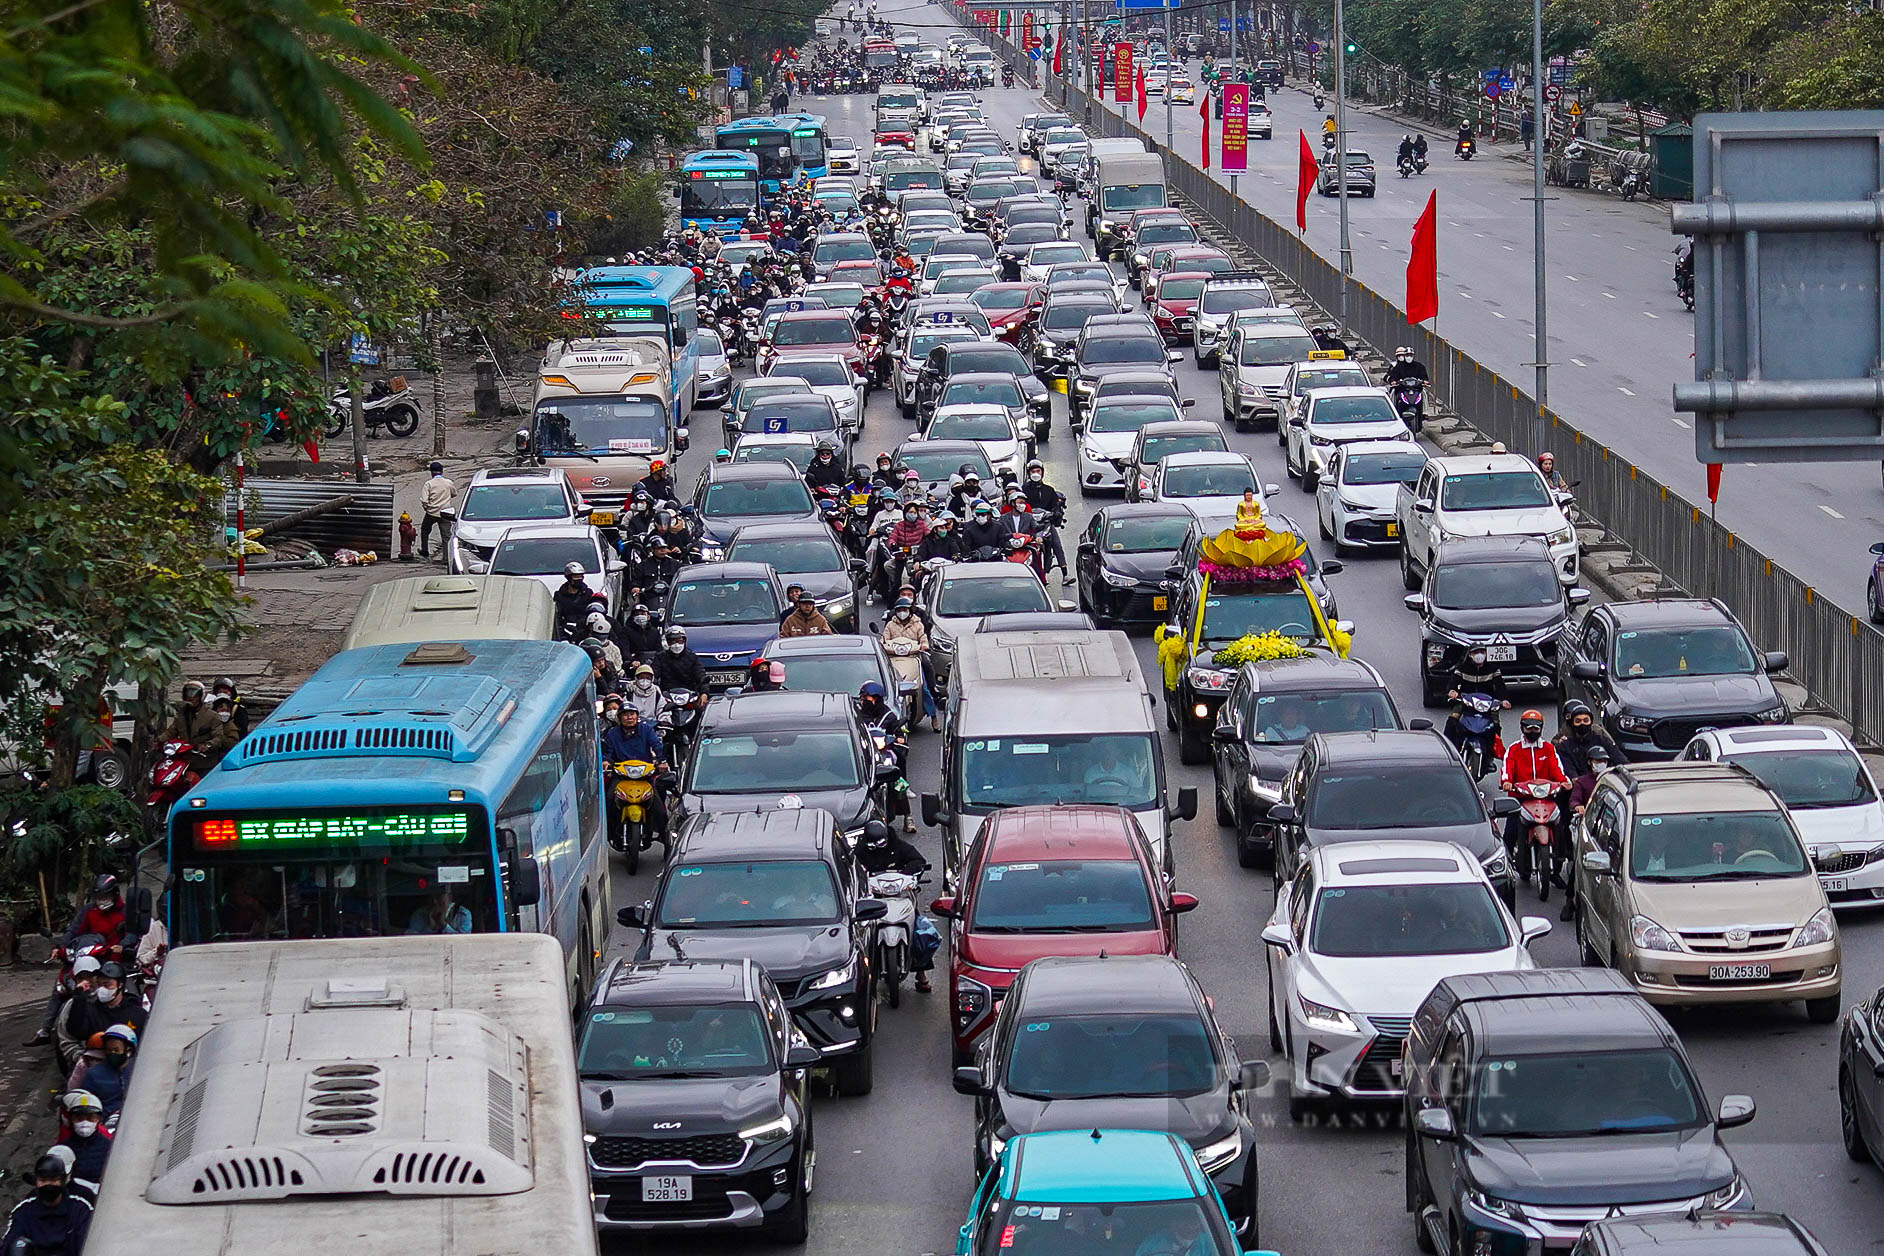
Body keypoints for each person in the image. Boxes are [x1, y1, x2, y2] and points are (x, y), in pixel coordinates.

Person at [855, 819, 933, 991]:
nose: (877, 846)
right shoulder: (861, 851)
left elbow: (918, 860)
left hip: (900, 896)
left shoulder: (899, 846)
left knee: (920, 931)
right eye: (873, 844)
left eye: (881, 842)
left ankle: (922, 973)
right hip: (875, 899)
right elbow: (854, 868)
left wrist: (907, 875)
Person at [1501, 709, 1570, 894]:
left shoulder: (1548, 748)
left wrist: (1564, 782)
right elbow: (1507, 770)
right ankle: (1503, 869)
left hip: (1546, 799)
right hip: (1521, 800)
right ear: (1522, 728)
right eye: (1528, 727)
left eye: (1536, 727)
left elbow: (1558, 771)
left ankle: (1556, 868)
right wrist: (1507, 782)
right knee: (1509, 834)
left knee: (1561, 829)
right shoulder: (1514, 749)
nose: (1532, 730)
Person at [1, 1153, 91, 1256]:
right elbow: (8, 1246)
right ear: (36, 1182)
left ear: (62, 1180)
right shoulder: (24, 1212)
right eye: (43, 1180)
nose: (48, 1184)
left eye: (53, 1179)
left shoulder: (79, 1209)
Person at [1561, 742, 1612, 921]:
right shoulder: (1583, 782)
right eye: (1597, 760)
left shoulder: (1611, 780)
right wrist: (1579, 807)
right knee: (1579, 865)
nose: (1600, 763)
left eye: (1603, 760)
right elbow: (1573, 801)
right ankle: (1569, 902)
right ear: (1590, 762)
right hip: (1588, 830)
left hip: (1610, 830)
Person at [856, 682, 913, 831]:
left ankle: (908, 817)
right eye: (862, 698)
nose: (864, 701)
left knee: (898, 776)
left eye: (866, 698)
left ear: (876, 698)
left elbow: (900, 733)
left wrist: (898, 738)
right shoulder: (859, 715)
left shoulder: (890, 716)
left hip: (886, 752)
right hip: (867, 754)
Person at [70, 1024, 137, 1116]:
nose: (112, 1053)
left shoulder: (139, 1069)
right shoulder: (93, 1074)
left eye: (116, 1050)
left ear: (128, 1050)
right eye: (109, 1050)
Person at [1019, 460, 1067, 573]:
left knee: (1057, 544)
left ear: (1042, 473)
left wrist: (1056, 513)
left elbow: (1055, 506)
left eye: (1038, 471)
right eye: (1033, 471)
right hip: (1029, 523)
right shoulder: (1024, 490)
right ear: (1028, 473)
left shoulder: (1049, 490)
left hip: (1045, 522)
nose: (1035, 473)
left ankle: (1065, 572)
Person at [55, 1092, 111, 1188]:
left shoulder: (110, 1148)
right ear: (70, 1119)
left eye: (91, 1118)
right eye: (79, 1117)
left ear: (99, 1119)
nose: (85, 1122)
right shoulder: (61, 1149)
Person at [1554, 699, 1618, 779]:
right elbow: (1569, 770)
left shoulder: (1602, 739)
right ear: (1572, 723)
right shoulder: (1565, 746)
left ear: (1591, 722)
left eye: (1586, 720)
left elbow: (1619, 759)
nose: (1582, 723)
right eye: (1578, 721)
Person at [418, 461, 455, 560]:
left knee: (425, 530)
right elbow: (454, 493)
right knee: (446, 536)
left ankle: (425, 550)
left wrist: (426, 507)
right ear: (442, 471)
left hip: (432, 513)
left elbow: (424, 500)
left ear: (431, 472)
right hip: (445, 513)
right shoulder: (448, 483)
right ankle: (446, 558)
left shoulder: (429, 484)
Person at [654, 625, 707, 693]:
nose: (677, 645)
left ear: (684, 641)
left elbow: (701, 676)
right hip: (667, 695)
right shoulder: (660, 657)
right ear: (668, 642)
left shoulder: (692, 658)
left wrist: (704, 693)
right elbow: (654, 675)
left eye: (680, 641)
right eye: (673, 641)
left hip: (690, 694)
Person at [163, 679, 217, 745]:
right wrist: (158, 740)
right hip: (184, 751)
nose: (191, 699)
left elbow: (218, 737)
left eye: (195, 696)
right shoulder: (181, 715)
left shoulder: (212, 716)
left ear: (201, 697)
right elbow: (171, 732)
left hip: (203, 753)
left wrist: (208, 745)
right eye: (187, 696)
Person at [405, 886, 473, 936]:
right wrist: (431, 928)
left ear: (449, 897)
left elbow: (463, 941)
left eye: (438, 897)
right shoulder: (419, 914)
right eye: (431, 897)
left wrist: (444, 925)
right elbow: (411, 939)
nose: (434, 901)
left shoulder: (462, 914)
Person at [553, 562, 595, 633]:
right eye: (576, 577)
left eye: (581, 576)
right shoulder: (559, 596)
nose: (579, 579)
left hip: (584, 630)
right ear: (569, 578)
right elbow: (557, 617)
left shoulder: (588, 593)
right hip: (566, 631)